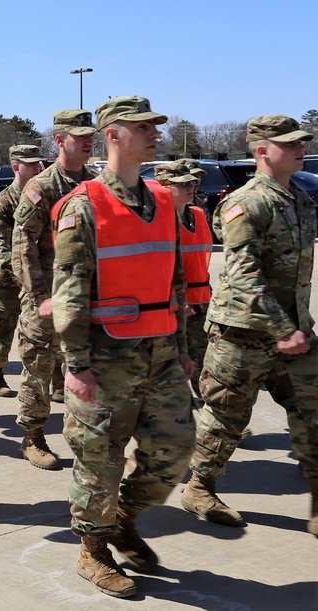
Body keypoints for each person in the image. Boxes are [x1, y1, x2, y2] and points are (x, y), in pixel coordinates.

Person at [52, 96, 195, 598]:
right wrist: (76, 366)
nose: (156, 133)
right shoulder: (84, 204)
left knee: (175, 451)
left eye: (157, 125)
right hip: (105, 357)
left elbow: (173, 279)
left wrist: (179, 345)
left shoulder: (161, 199)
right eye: (143, 127)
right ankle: (92, 551)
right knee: (99, 459)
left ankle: (122, 519)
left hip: (160, 352)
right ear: (112, 135)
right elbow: (67, 290)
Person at [182, 115, 318, 537]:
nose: (300, 148)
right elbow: (243, 275)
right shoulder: (247, 203)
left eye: (302, 142)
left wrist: (298, 328)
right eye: (289, 143)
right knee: (225, 418)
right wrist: (282, 328)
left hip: (294, 332)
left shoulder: (300, 199)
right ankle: (199, 488)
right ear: (262, 151)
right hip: (242, 334)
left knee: (313, 412)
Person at [12, 110, 98, 471]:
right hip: (47, 297)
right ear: (60, 140)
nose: (88, 141)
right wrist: (37, 297)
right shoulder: (42, 186)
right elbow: (22, 245)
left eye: (90, 135)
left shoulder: (96, 183)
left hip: (86, 296)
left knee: (85, 369)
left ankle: (88, 440)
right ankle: (32, 437)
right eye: (79, 136)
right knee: (39, 368)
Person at [0, 145, 45, 397]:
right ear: (16, 166)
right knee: (1, 328)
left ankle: (56, 380)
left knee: (44, 331)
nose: (37, 168)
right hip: (6, 279)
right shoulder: (2, 202)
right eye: (31, 164)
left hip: (37, 278)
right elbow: (0, 246)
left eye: (38, 163)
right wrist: (25, 270)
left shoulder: (40, 197)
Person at [154, 161, 212, 399]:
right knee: (169, 366)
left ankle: (213, 416)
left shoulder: (197, 214)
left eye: (193, 183)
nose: (191, 187)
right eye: (183, 183)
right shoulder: (158, 220)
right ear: (164, 186)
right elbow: (158, 267)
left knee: (206, 363)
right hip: (175, 305)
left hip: (202, 301)